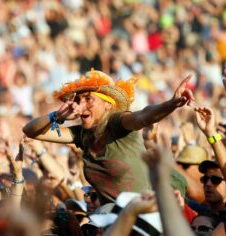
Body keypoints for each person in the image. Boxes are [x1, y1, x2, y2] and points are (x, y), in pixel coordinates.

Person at [23, 70, 194, 204]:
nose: (81, 106)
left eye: (88, 99)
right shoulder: (82, 134)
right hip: (112, 220)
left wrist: (171, 104)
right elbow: (31, 131)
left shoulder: (118, 122)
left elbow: (144, 116)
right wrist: (56, 116)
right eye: (78, 100)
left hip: (148, 214)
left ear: (107, 105)